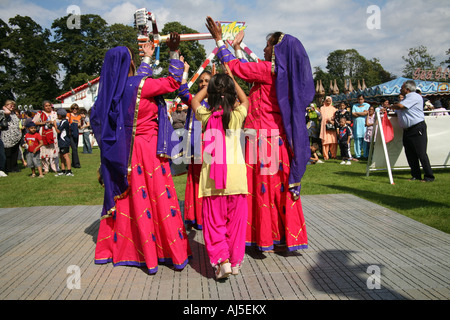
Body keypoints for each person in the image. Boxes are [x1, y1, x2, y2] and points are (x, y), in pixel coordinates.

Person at [206, 16, 313, 253]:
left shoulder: (270, 70)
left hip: (263, 142)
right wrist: (235, 47)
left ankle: (264, 238)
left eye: (267, 45)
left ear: (276, 50)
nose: (264, 49)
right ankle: (278, 237)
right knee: (274, 191)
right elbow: (250, 72)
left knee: (263, 191)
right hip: (274, 140)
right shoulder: (281, 74)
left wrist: (219, 41)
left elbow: (239, 69)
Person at [90, 34, 192, 274]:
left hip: (123, 153)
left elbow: (138, 82)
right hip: (147, 151)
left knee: (132, 199)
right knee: (156, 195)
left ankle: (130, 249)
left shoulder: (109, 94)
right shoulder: (138, 85)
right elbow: (172, 82)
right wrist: (174, 53)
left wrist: (147, 58)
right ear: (130, 64)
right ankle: (162, 251)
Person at [191, 63, 249, 280]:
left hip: (212, 182)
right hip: (236, 180)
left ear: (212, 96)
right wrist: (230, 79)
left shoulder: (205, 117)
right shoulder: (237, 116)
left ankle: (222, 261)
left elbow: (195, 100)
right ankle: (234, 263)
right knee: (235, 225)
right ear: (231, 94)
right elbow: (245, 100)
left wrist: (213, 82)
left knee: (214, 224)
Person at [177, 60, 213, 230]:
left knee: (208, 182)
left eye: (207, 81)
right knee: (194, 180)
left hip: (212, 147)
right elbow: (183, 92)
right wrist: (185, 70)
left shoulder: (216, 102)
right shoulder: (194, 100)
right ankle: (193, 217)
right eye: (201, 81)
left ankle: (207, 217)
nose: (203, 84)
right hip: (194, 147)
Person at [390, 80, 435, 182]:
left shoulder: (414, 96)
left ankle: (429, 176)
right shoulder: (405, 99)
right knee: (410, 154)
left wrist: (390, 106)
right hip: (407, 130)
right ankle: (416, 175)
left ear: (407, 89)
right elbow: (398, 111)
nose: (400, 89)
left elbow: (400, 107)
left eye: (402, 88)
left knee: (421, 153)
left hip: (417, 128)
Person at [32, 101, 59, 174]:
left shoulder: (55, 113)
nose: (48, 107)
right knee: (44, 150)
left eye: (49, 105)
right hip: (43, 132)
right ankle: (45, 168)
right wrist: (42, 123)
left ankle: (54, 167)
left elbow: (59, 121)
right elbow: (34, 122)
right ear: (44, 107)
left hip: (53, 132)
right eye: (46, 106)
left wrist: (53, 122)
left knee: (54, 150)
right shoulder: (40, 114)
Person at [1, 100, 22, 173]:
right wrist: (4, 108)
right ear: (6, 105)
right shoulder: (3, 112)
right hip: (7, 137)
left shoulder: (14, 114)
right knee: (8, 154)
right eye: (10, 105)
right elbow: (7, 112)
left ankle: (14, 167)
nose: (12, 107)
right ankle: (8, 168)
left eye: (13, 106)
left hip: (15, 137)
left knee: (15, 153)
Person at [53, 108, 73, 176]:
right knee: (61, 156)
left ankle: (69, 170)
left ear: (60, 115)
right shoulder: (63, 121)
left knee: (65, 155)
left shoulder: (64, 121)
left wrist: (55, 125)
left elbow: (58, 131)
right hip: (61, 141)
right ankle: (63, 170)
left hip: (64, 141)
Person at [319, 96, 338, 160]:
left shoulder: (334, 109)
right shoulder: (322, 108)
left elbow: (336, 117)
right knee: (325, 142)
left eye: (329, 101)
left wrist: (332, 120)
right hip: (325, 126)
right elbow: (323, 117)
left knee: (333, 141)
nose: (328, 102)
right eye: (327, 101)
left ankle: (333, 155)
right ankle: (325, 155)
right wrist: (328, 119)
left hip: (332, 127)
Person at [352, 95, 370, 159]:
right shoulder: (354, 106)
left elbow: (366, 113)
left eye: (361, 99)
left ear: (364, 99)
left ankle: (365, 154)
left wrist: (357, 113)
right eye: (359, 99)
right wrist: (362, 113)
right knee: (357, 140)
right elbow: (353, 114)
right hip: (357, 124)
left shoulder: (367, 105)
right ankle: (358, 155)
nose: (360, 101)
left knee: (365, 139)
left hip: (364, 124)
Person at [67, 103, 81, 168]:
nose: (74, 110)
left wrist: (78, 125)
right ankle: (76, 164)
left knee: (75, 148)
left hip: (76, 132)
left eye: (76, 108)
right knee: (74, 148)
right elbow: (67, 123)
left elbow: (79, 124)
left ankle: (74, 162)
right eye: (73, 108)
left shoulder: (79, 116)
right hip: (70, 133)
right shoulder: (69, 115)